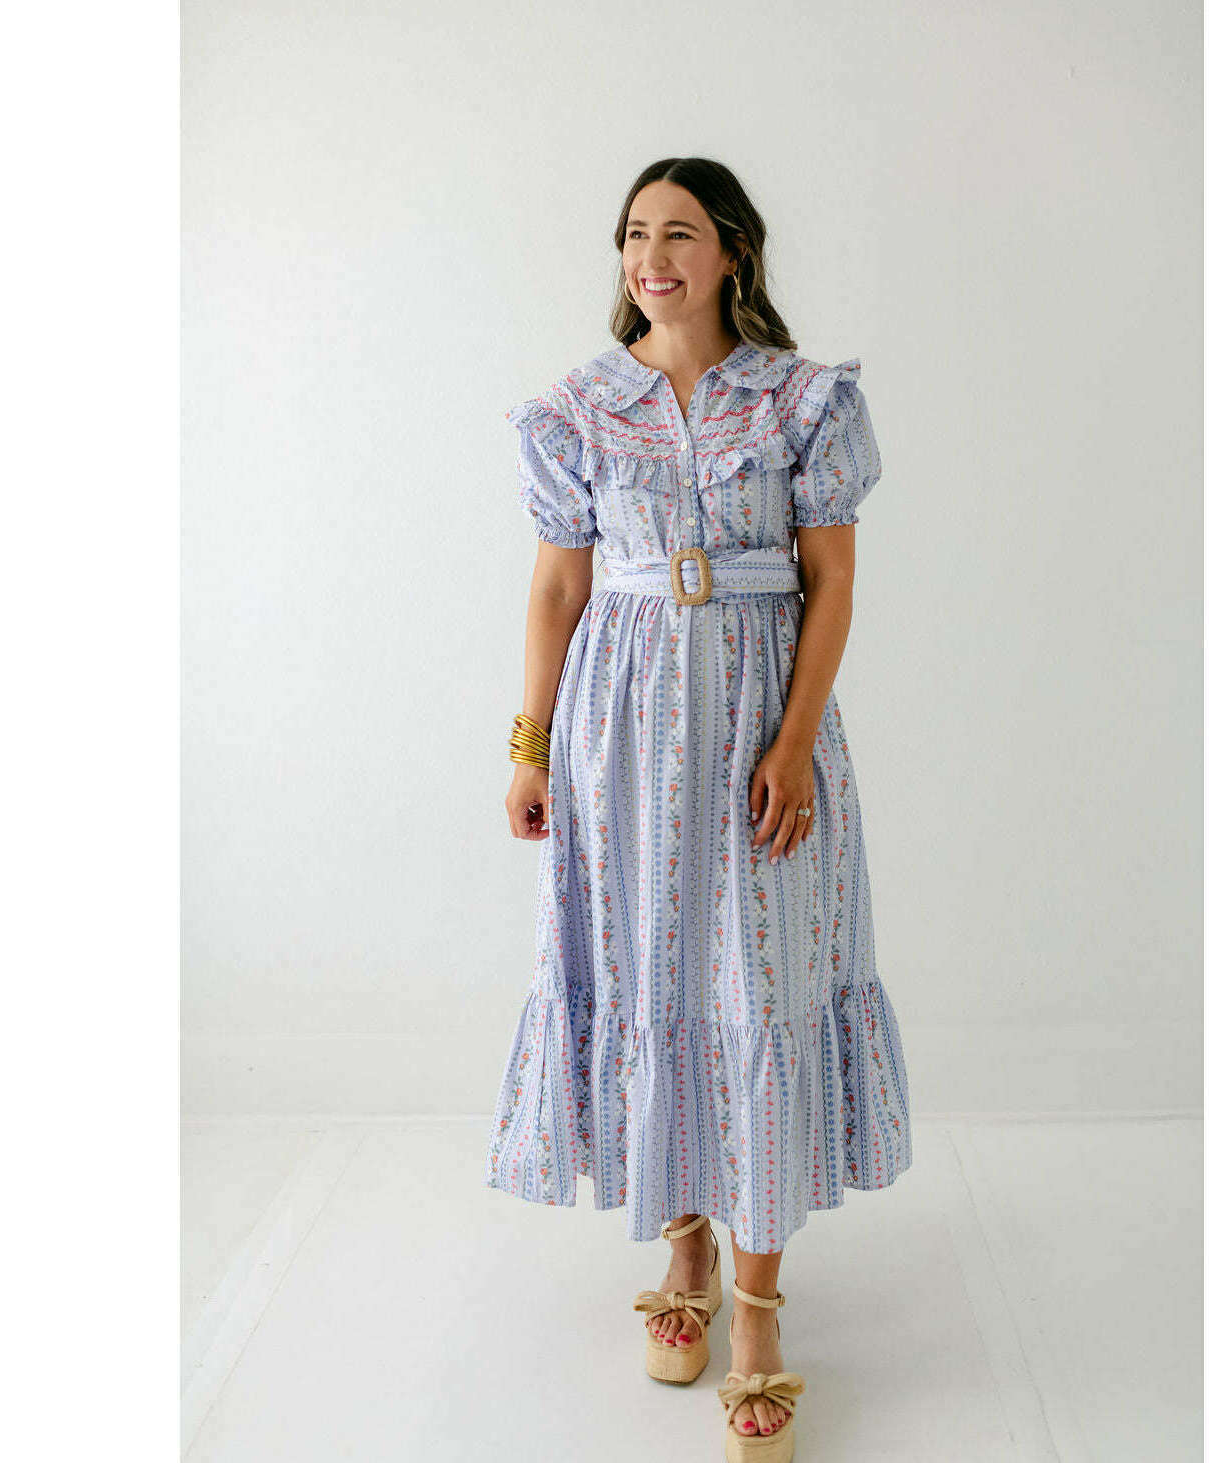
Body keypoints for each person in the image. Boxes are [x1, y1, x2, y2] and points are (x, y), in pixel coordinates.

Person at [485, 156, 913, 1460]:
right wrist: (531, 748)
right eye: (634, 233)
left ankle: (760, 1312)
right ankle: (682, 1254)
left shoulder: (801, 400)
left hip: (758, 724)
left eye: (678, 233)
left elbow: (831, 584)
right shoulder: (578, 411)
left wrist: (796, 740)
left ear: (732, 250)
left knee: (759, 990)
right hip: (617, 736)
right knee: (646, 976)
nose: (651, 257)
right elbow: (557, 589)